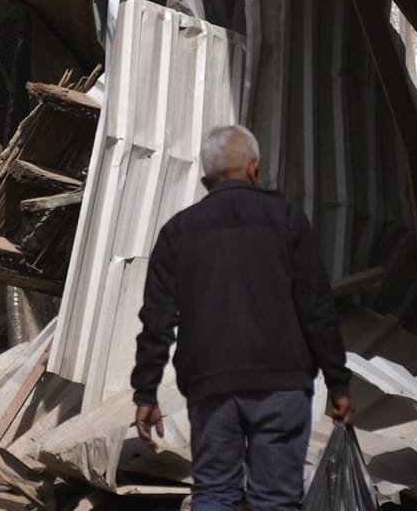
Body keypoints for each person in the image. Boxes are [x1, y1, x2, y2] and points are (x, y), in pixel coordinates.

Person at [132, 125, 351, 511]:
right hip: (282, 384)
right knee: (276, 500)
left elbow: (158, 320)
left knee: (215, 493)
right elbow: (317, 309)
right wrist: (339, 384)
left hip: (210, 387)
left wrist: (146, 392)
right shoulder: (287, 221)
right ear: (255, 169)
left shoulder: (176, 233)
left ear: (205, 181)